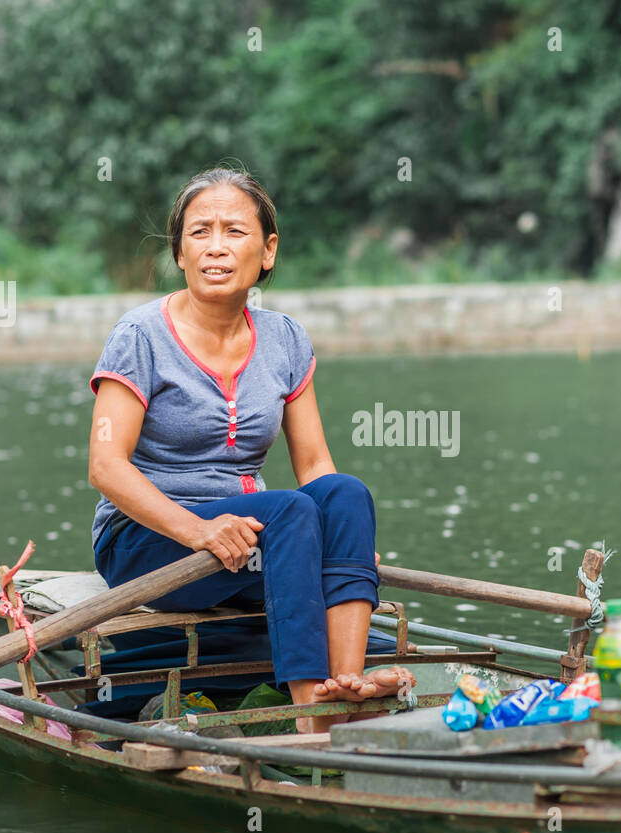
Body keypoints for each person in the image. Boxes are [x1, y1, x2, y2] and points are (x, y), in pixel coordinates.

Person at [88, 166, 413, 732]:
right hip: (147, 540)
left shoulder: (285, 338)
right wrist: (198, 530)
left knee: (344, 495)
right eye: (200, 232)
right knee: (290, 511)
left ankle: (348, 680)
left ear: (267, 251)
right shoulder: (139, 337)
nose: (216, 248)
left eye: (234, 232)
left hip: (251, 538)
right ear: (180, 253)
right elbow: (106, 467)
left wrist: (344, 546)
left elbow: (314, 465)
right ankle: (312, 714)